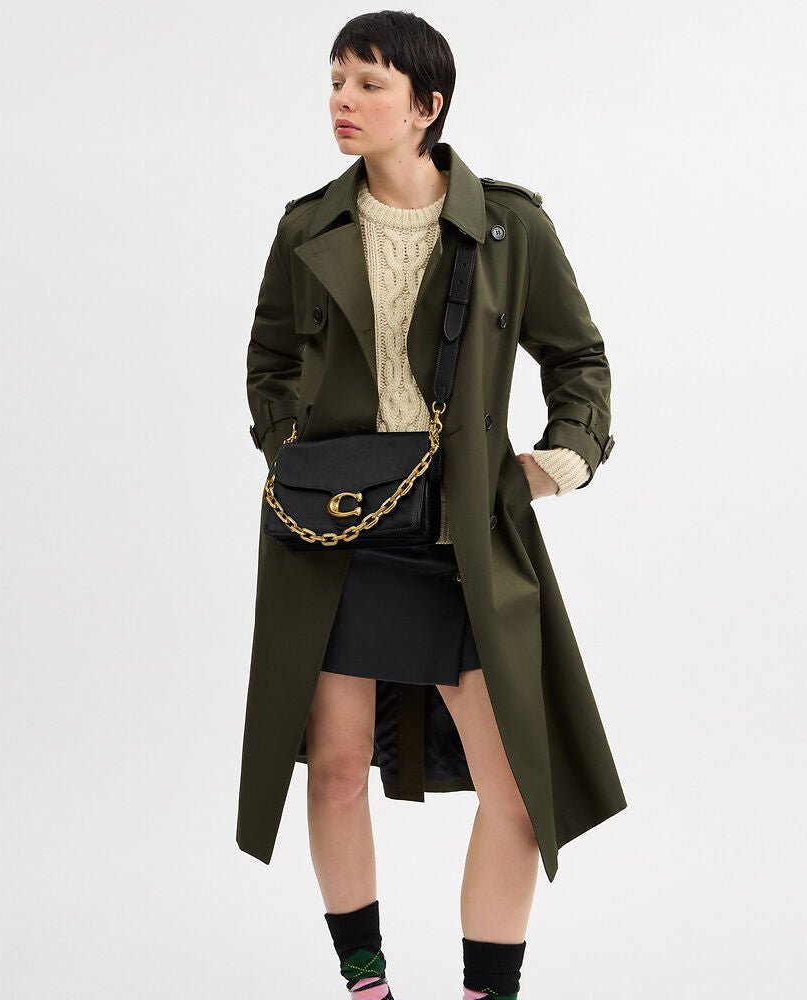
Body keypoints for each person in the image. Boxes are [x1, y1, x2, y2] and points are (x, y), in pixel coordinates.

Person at [241, 10, 625, 999]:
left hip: (459, 533)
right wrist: (292, 451)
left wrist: (560, 461)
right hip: (333, 531)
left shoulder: (507, 226)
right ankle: (366, 987)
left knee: (519, 793)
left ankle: (486, 991)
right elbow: (270, 361)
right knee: (334, 768)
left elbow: (578, 359)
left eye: (369, 83)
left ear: (427, 106)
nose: (342, 100)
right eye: (336, 79)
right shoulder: (306, 227)